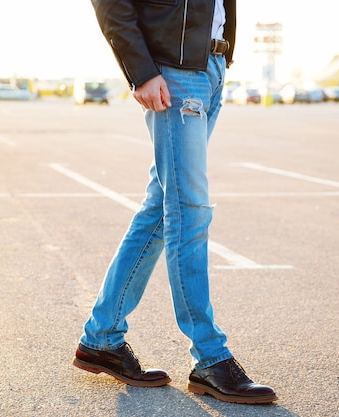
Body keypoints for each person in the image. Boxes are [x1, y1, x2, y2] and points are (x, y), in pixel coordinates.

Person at [72, 0, 278, 405]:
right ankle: (210, 357)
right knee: (189, 213)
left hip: (211, 67)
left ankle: (101, 338)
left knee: (161, 211)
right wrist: (142, 71)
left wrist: (221, 57)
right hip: (174, 71)